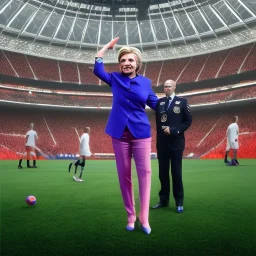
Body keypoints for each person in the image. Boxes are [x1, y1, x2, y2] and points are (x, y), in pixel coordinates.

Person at [93, 37, 158, 234]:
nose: (126, 63)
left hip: (141, 133)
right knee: (124, 175)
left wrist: (174, 108)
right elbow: (98, 68)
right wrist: (107, 47)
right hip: (119, 133)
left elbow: (156, 104)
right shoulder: (114, 78)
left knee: (145, 174)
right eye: (123, 60)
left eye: (130, 60)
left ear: (137, 63)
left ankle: (144, 218)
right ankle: (130, 215)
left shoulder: (145, 83)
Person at [152, 80, 192, 213]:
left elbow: (188, 121)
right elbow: (158, 123)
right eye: (165, 86)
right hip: (162, 143)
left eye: (169, 86)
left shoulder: (182, 102)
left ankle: (179, 201)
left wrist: (175, 130)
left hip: (176, 142)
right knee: (162, 173)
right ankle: (163, 200)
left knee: (176, 173)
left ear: (174, 87)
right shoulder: (160, 102)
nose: (167, 88)